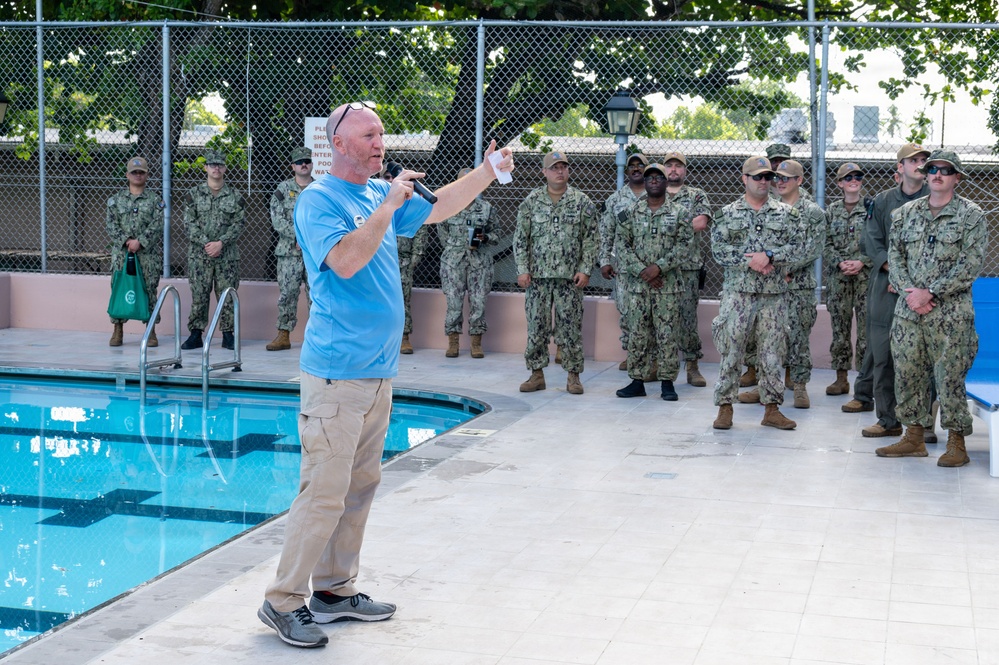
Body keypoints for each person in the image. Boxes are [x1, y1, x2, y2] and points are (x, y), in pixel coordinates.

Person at [258, 100, 514, 648]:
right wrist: (389, 201)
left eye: (381, 134)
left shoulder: (379, 192)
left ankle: (334, 591)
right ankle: (282, 601)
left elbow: (441, 204)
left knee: (358, 487)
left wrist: (488, 171)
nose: (379, 143)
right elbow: (347, 260)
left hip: (377, 373)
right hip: (335, 375)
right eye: (369, 135)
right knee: (323, 491)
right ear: (340, 145)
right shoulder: (317, 201)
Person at [876, 150, 984, 466]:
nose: (937, 174)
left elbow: (970, 264)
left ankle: (956, 443)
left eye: (945, 170)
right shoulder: (905, 213)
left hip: (950, 314)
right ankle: (913, 437)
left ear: (957, 178)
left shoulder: (971, 216)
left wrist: (930, 293)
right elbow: (894, 257)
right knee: (907, 373)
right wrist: (912, 294)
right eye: (932, 169)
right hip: (909, 312)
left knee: (949, 376)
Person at [843, 143, 930, 440]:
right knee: (883, 354)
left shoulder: (935, 200)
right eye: (913, 160)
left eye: (924, 160)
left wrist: (910, 280)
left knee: (923, 356)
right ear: (900, 167)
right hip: (885, 287)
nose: (919, 164)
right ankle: (888, 419)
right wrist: (893, 272)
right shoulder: (881, 202)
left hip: (921, 290)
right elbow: (872, 242)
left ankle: (924, 424)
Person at [711, 157, 801, 431]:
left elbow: (798, 246)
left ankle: (772, 409)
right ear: (744, 179)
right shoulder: (727, 213)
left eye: (767, 177)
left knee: (773, 352)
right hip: (738, 295)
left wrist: (771, 255)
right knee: (732, 349)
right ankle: (725, 408)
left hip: (773, 295)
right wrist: (749, 260)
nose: (764, 182)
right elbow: (718, 250)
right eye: (757, 177)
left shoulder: (786, 214)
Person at [514, 150, 598, 395]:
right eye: (554, 167)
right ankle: (536, 374)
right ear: (544, 172)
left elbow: (591, 239)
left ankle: (573, 376)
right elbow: (521, 239)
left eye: (563, 167)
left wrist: (585, 269)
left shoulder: (582, 202)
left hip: (570, 279)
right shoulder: (531, 201)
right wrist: (522, 269)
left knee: (570, 328)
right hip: (537, 279)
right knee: (536, 327)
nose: (560, 171)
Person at [614, 162, 694, 401]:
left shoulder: (679, 213)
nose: (654, 181)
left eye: (659, 177)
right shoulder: (630, 212)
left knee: (667, 334)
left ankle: (667, 382)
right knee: (638, 333)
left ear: (666, 182)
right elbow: (622, 245)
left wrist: (659, 268)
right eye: (650, 178)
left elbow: (685, 246)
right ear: (645, 183)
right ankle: (637, 381)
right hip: (638, 287)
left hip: (667, 287)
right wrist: (642, 271)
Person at [181, 150, 244, 351]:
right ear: (205, 168)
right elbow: (189, 223)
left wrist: (221, 243)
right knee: (199, 294)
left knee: (227, 294)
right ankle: (195, 334)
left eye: (220, 165)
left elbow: (239, 223)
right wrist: (207, 243)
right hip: (200, 255)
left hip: (227, 255)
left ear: (225, 168)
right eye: (212, 165)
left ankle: (227, 334)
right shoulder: (193, 194)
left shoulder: (235, 195)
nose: (216, 168)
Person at [774, 159, 824, 408]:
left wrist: (786, 268)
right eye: (778, 178)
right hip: (772, 285)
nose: (780, 182)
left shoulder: (812, 211)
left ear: (799, 180)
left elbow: (812, 248)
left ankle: (800, 386)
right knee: (771, 337)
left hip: (799, 286)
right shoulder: (770, 207)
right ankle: (770, 388)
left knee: (798, 337)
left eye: (786, 178)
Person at [662, 151, 713, 387]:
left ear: (685, 170)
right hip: (658, 269)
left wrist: (668, 228)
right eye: (669, 166)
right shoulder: (653, 193)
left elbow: (701, 222)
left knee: (687, 318)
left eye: (678, 166)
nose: (673, 170)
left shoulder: (696, 195)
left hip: (686, 268)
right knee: (657, 317)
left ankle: (692, 365)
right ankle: (657, 365)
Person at [437, 167, 497, 358]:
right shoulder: (447, 207)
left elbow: (496, 235)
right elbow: (442, 233)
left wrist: (484, 237)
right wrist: (455, 247)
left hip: (479, 262)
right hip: (453, 262)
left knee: (479, 301)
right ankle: (453, 341)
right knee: (453, 302)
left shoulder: (486, 208)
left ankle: (476, 342)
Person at [105, 156, 164, 347]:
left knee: (149, 290)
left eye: (141, 172)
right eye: (134, 172)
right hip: (122, 254)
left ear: (146, 175)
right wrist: (127, 241)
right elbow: (111, 225)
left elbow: (158, 225)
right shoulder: (115, 200)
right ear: (127, 175)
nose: (137, 175)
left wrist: (141, 241)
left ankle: (151, 330)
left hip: (147, 255)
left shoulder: (155, 200)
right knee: (119, 288)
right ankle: (118, 330)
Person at [823, 162, 871, 395]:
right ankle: (841, 378)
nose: (854, 180)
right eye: (848, 177)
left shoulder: (872, 208)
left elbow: (879, 240)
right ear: (840, 183)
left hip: (865, 278)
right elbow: (825, 242)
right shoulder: (831, 211)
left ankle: (863, 381)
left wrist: (863, 261)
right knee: (840, 330)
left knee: (865, 332)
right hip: (839, 278)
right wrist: (839, 262)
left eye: (858, 176)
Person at [598, 152, 649, 369]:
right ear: (626, 171)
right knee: (627, 312)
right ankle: (633, 355)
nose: (636, 169)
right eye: (632, 166)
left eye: (641, 166)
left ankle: (652, 358)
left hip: (653, 268)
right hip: (626, 269)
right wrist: (604, 261)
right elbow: (605, 233)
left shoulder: (658, 196)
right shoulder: (615, 200)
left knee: (653, 313)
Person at [266, 146, 314, 351]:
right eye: (299, 161)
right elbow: (277, 219)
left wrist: (307, 239)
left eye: (307, 161)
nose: (304, 164)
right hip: (289, 252)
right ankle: (283, 335)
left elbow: (325, 219)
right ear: (292, 166)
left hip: (314, 252)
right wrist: (297, 236)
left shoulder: (320, 189)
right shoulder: (282, 190)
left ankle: (316, 338)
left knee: (317, 295)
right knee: (287, 293)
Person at [387, 160, 430, 355]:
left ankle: (404, 337)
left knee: (403, 299)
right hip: (378, 258)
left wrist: (414, 259)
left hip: (402, 261)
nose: (390, 181)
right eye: (387, 178)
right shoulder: (374, 199)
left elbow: (421, 231)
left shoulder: (410, 201)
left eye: (393, 178)